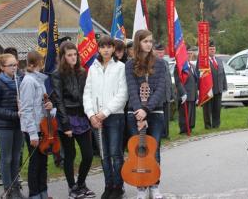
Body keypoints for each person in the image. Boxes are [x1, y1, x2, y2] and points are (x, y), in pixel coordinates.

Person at [83, 35, 128, 199]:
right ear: (99, 49)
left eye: (109, 46)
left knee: (116, 154)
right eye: (103, 47)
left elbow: (123, 94)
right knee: (104, 154)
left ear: (114, 49)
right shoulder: (93, 68)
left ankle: (118, 186)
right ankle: (108, 185)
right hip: (96, 119)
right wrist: (91, 115)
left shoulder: (121, 67)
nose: (106, 49)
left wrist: (105, 112)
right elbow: (87, 93)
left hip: (114, 116)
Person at [51, 41, 95, 199]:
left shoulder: (82, 72)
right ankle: (72, 188)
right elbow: (58, 100)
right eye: (69, 55)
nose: (73, 57)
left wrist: (91, 115)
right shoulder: (57, 74)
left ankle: (81, 183)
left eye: (75, 54)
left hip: (82, 117)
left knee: (88, 155)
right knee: (70, 155)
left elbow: (87, 95)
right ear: (63, 57)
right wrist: (65, 124)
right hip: (67, 118)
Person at [125, 30, 166, 199]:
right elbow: (132, 90)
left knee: (154, 150)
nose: (149, 44)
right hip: (135, 113)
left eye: (150, 41)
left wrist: (146, 109)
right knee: (138, 150)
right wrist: (138, 112)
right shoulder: (130, 65)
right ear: (138, 43)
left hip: (155, 112)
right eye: (145, 41)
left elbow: (161, 89)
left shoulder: (161, 64)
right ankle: (141, 186)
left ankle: (154, 184)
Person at [0, 53, 25, 198]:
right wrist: (13, 114)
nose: (15, 68)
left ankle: (16, 188)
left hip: (18, 125)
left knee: (16, 158)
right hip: (4, 127)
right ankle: (8, 190)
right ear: (3, 67)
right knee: (7, 158)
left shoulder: (19, 81)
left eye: (16, 64)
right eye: (11, 65)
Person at [20, 51, 54, 199]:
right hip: (33, 129)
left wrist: (49, 106)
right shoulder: (28, 81)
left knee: (43, 162)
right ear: (33, 64)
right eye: (41, 63)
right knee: (35, 164)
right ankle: (34, 194)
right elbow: (27, 109)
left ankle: (43, 193)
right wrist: (33, 134)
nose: (43, 66)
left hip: (42, 127)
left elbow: (41, 105)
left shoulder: (38, 80)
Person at [153, 43, 186, 138]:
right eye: (159, 52)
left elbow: (168, 79)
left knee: (166, 116)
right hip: (159, 94)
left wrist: (171, 93)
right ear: (155, 52)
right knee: (160, 116)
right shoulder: (153, 63)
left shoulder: (166, 63)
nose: (161, 54)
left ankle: (166, 133)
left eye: (162, 52)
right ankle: (160, 134)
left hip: (167, 94)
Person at [201, 40, 227, 129]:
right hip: (208, 89)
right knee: (207, 109)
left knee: (217, 108)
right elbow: (199, 75)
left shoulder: (219, 60)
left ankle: (216, 125)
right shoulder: (204, 61)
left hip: (218, 88)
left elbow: (223, 74)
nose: (212, 50)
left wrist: (224, 86)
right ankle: (208, 126)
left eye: (213, 49)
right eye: (210, 49)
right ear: (207, 50)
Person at [176, 44, 198, 134]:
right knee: (184, 114)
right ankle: (184, 130)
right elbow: (178, 81)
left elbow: (195, 81)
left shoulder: (192, 66)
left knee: (191, 114)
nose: (189, 55)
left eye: (190, 53)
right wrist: (183, 93)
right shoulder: (180, 66)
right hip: (185, 93)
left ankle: (190, 127)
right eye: (187, 53)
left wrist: (197, 93)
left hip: (192, 94)